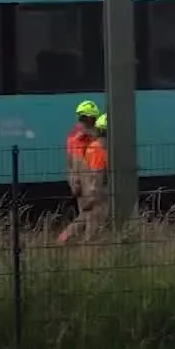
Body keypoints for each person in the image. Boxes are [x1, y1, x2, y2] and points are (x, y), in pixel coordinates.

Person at [60, 100, 108, 243]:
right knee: (90, 215)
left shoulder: (79, 137)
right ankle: (69, 240)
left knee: (88, 215)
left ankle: (71, 241)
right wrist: (77, 183)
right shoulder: (82, 139)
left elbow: (71, 163)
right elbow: (77, 164)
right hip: (86, 182)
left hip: (85, 182)